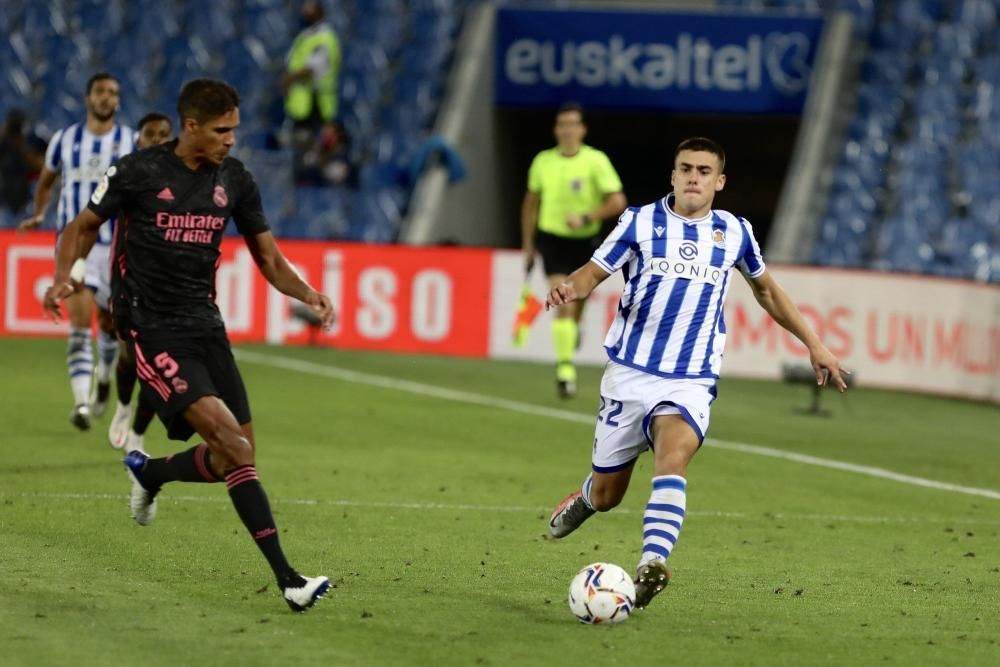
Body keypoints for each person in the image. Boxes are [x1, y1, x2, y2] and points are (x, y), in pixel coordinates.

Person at [43, 79, 335, 612]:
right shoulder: (138, 171)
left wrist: (309, 293)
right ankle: (290, 580)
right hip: (151, 330)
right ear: (192, 125)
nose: (231, 139)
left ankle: (149, 471)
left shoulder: (236, 179)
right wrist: (66, 275)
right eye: (222, 130)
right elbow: (81, 226)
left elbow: (268, 258)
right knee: (235, 447)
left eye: (236, 129)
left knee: (234, 460)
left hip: (206, 326)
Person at [545, 137, 848, 610]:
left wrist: (815, 344)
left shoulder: (735, 232)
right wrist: (570, 289)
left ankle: (652, 563)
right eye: (685, 168)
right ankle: (585, 498)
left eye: (705, 171)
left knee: (673, 456)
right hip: (629, 373)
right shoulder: (639, 222)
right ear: (672, 175)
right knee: (609, 495)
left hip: (690, 378)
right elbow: (593, 272)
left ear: (720, 181)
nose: (694, 177)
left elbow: (767, 292)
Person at [19, 72, 136, 430]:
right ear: (88, 98)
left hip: (115, 247)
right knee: (80, 323)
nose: (107, 98)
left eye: (113, 92)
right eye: (100, 91)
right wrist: (39, 212)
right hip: (74, 247)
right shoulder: (64, 140)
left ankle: (104, 376)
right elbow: (47, 180)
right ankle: (82, 403)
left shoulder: (131, 141)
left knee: (112, 324)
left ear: (118, 101)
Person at [521, 102, 627, 399]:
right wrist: (529, 245)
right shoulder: (543, 161)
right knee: (563, 299)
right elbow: (530, 204)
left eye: (572, 124)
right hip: (552, 239)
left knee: (575, 303)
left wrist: (586, 217)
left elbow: (618, 201)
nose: (567, 130)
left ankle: (572, 332)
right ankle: (565, 369)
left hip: (585, 242)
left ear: (582, 129)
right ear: (556, 129)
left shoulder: (595, 161)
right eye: (562, 124)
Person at [107, 111, 174, 452]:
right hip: (129, 282)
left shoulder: (185, 178)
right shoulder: (128, 174)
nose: (158, 140)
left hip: (169, 290)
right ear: (139, 138)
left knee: (157, 369)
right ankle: (122, 406)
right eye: (151, 134)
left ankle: (137, 432)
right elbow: (107, 232)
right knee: (129, 358)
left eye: (164, 134)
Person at [281, 0, 341, 184]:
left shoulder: (325, 37)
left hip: (317, 105)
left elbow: (314, 66)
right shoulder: (305, 36)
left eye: (310, 7)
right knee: (300, 153)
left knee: (315, 152)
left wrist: (289, 79)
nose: (304, 10)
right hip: (301, 106)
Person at [0, 109, 45, 221]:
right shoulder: (3, 145)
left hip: (24, 203)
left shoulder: (30, 144)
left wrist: (23, 149)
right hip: (3, 203)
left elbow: (44, 166)